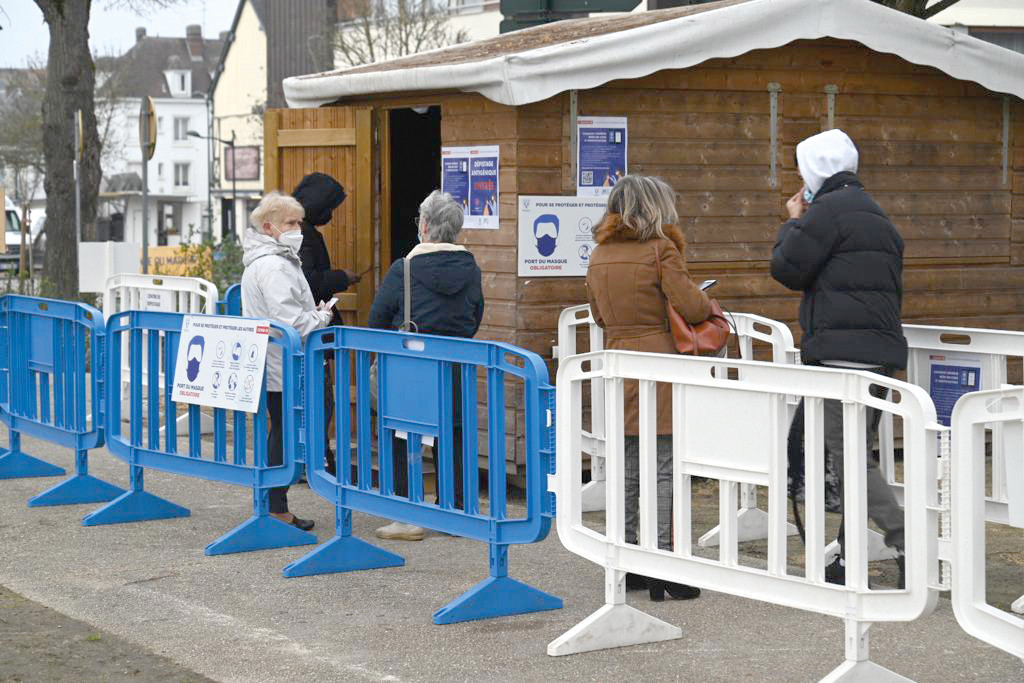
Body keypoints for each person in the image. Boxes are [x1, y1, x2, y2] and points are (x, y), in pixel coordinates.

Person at [770, 128, 907, 586]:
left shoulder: (825, 212)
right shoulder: (874, 212)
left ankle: (910, 543)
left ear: (814, 170)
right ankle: (849, 560)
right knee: (855, 458)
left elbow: (787, 268)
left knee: (848, 462)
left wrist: (793, 220)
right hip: (879, 354)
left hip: (841, 357)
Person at [586, 174, 709, 601]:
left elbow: (599, 316)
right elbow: (691, 308)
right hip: (660, 364)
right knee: (665, 466)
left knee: (629, 468)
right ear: (657, 207)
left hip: (619, 365)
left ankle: (630, 556)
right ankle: (665, 564)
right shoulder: (662, 250)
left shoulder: (599, 254)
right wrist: (708, 302)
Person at [368, 190, 484, 541]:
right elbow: (475, 314)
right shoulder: (471, 267)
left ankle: (407, 516)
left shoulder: (404, 268)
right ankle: (458, 511)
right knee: (455, 431)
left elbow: (377, 319)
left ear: (425, 225)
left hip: (410, 365)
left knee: (403, 433)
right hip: (456, 362)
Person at [241, 191, 335, 532]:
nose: (298, 229)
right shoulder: (274, 266)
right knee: (286, 427)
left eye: (299, 222)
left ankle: (275, 501)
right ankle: (276, 502)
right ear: (270, 227)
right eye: (291, 223)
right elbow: (289, 320)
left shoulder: (270, 261)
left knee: (281, 426)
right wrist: (321, 318)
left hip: (279, 361)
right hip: (286, 361)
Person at [292, 172, 358, 477]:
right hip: (309, 331)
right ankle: (315, 460)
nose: (330, 216)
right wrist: (342, 277)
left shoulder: (302, 232)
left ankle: (315, 458)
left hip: (309, 331)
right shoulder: (304, 235)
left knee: (317, 400)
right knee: (319, 400)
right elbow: (310, 282)